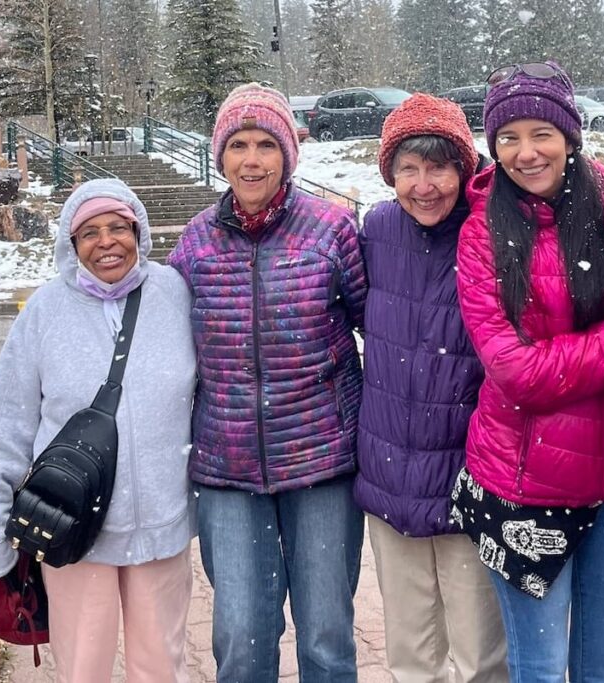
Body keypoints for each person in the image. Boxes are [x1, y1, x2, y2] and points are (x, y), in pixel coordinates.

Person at [451, 62, 604, 683]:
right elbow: (519, 376)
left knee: (602, 666)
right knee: (538, 668)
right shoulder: (482, 233)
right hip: (523, 484)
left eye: (540, 132)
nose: (525, 152)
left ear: (570, 135)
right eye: (507, 137)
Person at [168, 83, 367, 683]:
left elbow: (377, 330)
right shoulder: (196, 242)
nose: (250, 160)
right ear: (220, 155)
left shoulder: (331, 230)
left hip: (323, 462)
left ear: (286, 155)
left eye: (264, 145)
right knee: (242, 640)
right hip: (226, 470)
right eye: (237, 145)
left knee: (328, 637)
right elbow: (170, 349)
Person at [0, 178, 197, 682]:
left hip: (162, 525)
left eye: (118, 227)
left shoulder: (173, 293)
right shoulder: (45, 313)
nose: (107, 241)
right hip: (72, 532)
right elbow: (5, 427)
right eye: (89, 232)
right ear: (70, 246)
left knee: (162, 669)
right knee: (83, 671)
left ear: (140, 231)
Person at [353, 92, 508, 683]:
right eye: (408, 169)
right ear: (389, 172)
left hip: (471, 475)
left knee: (480, 655)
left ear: (464, 170)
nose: (423, 185)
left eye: (439, 167)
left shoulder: (493, 232)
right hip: (390, 472)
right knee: (411, 654)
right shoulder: (377, 230)